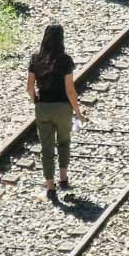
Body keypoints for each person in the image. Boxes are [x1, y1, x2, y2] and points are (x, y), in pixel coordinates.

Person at [27, 24, 86, 204]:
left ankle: (50, 187)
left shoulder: (35, 59)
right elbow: (70, 89)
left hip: (43, 107)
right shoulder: (65, 60)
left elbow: (29, 87)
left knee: (46, 148)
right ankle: (63, 179)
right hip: (62, 107)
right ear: (61, 39)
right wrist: (78, 112)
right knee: (64, 142)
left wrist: (36, 102)